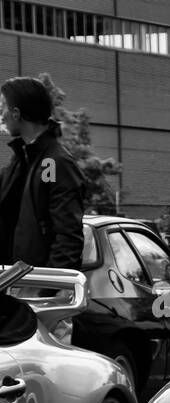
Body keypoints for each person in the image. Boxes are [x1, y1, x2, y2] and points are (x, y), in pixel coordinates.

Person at [0, 76, 85, 268]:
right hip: (13, 283)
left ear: (16, 113)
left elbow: (67, 235)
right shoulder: (22, 161)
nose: (1, 114)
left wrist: (47, 289)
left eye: (2, 106)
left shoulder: (53, 163)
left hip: (35, 288)